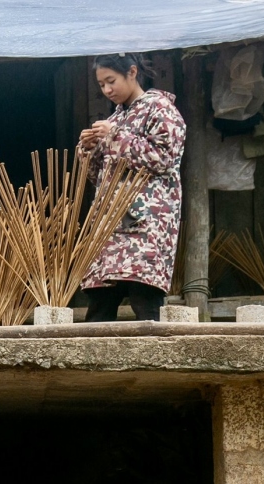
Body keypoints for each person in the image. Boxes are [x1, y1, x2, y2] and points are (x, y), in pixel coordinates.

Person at [77, 53, 186, 322]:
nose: (107, 90)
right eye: (101, 85)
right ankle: (93, 364)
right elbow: (100, 177)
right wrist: (88, 151)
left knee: (144, 297)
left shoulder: (160, 108)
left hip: (145, 225)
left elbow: (165, 158)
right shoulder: (115, 118)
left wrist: (115, 137)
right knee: (99, 299)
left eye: (111, 81)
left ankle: (155, 363)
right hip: (109, 224)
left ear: (132, 72)